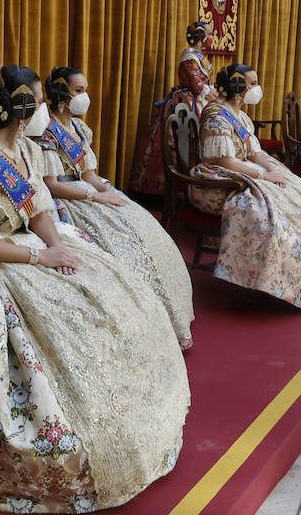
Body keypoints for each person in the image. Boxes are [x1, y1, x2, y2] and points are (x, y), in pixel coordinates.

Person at [0, 65, 191, 513]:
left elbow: (40, 210)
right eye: (40, 101)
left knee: (107, 288)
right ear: (20, 110)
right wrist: (38, 257)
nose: (46, 108)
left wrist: (58, 245)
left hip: (28, 244)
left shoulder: (26, 149)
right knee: (65, 317)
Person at [35, 66, 194, 348]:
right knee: (122, 247)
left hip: (87, 190)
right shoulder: (46, 133)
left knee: (144, 228)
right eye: (78, 91)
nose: (85, 97)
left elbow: (89, 175)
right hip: (66, 200)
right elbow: (52, 184)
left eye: (85, 90)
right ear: (61, 94)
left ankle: (169, 319)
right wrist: (95, 198)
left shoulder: (79, 129)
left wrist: (107, 191)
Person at [187, 65, 301, 310]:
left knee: (294, 190)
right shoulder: (216, 117)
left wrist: (272, 170)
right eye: (251, 83)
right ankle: (265, 276)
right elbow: (224, 160)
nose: (256, 88)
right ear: (236, 88)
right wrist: (262, 175)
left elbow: (255, 152)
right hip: (217, 179)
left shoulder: (241, 115)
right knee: (265, 210)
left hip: (241, 169)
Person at [128, 19, 214, 194]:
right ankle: (177, 184)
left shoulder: (200, 57)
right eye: (209, 34)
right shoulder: (189, 57)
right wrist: (209, 91)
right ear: (200, 37)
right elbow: (197, 86)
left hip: (202, 98)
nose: (212, 37)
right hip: (187, 101)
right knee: (181, 138)